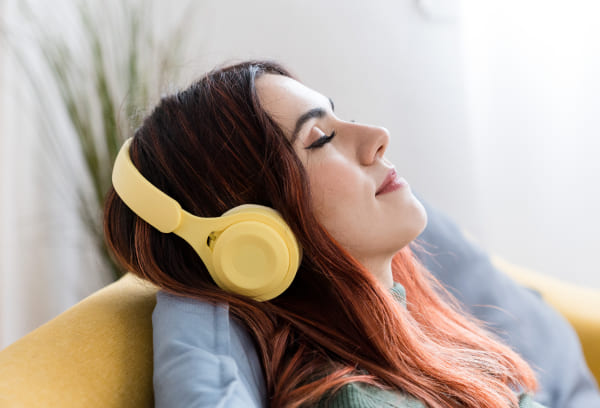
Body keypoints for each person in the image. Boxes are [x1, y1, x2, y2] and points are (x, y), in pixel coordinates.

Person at [103, 60, 547, 407]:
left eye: (339, 118)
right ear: (254, 242)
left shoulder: (416, 338)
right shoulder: (359, 400)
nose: (378, 136)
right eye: (319, 139)